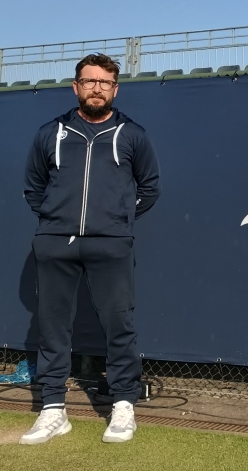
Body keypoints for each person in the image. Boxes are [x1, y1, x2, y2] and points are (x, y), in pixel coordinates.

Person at [19, 53, 161, 445]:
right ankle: (52, 410)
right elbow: (34, 187)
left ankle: (123, 405)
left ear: (115, 89)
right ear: (76, 86)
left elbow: (149, 188)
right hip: (55, 245)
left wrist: (114, 223)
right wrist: (55, 220)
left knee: (119, 325)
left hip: (110, 245)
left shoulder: (133, 134)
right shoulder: (51, 133)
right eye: (89, 81)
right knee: (52, 328)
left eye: (105, 82)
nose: (96, 88)